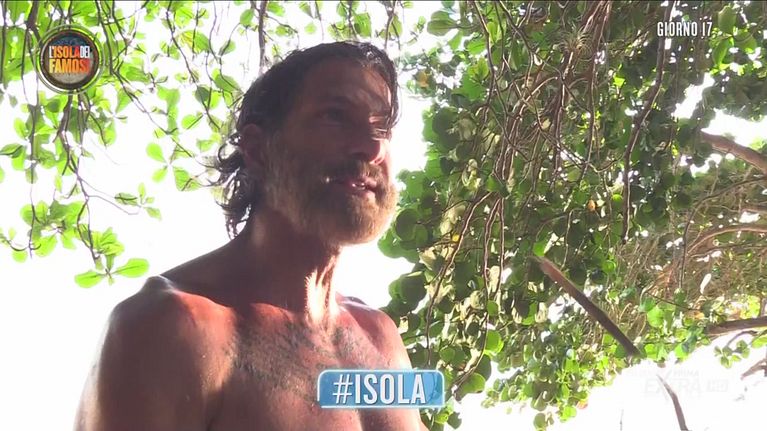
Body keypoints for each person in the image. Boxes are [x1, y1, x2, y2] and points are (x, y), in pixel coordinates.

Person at [75, 41, 426, 431]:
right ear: (258, 150)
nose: (372, 147)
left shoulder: (381, 338)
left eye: (382, 126)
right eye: (335, 116)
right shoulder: (170, 327)